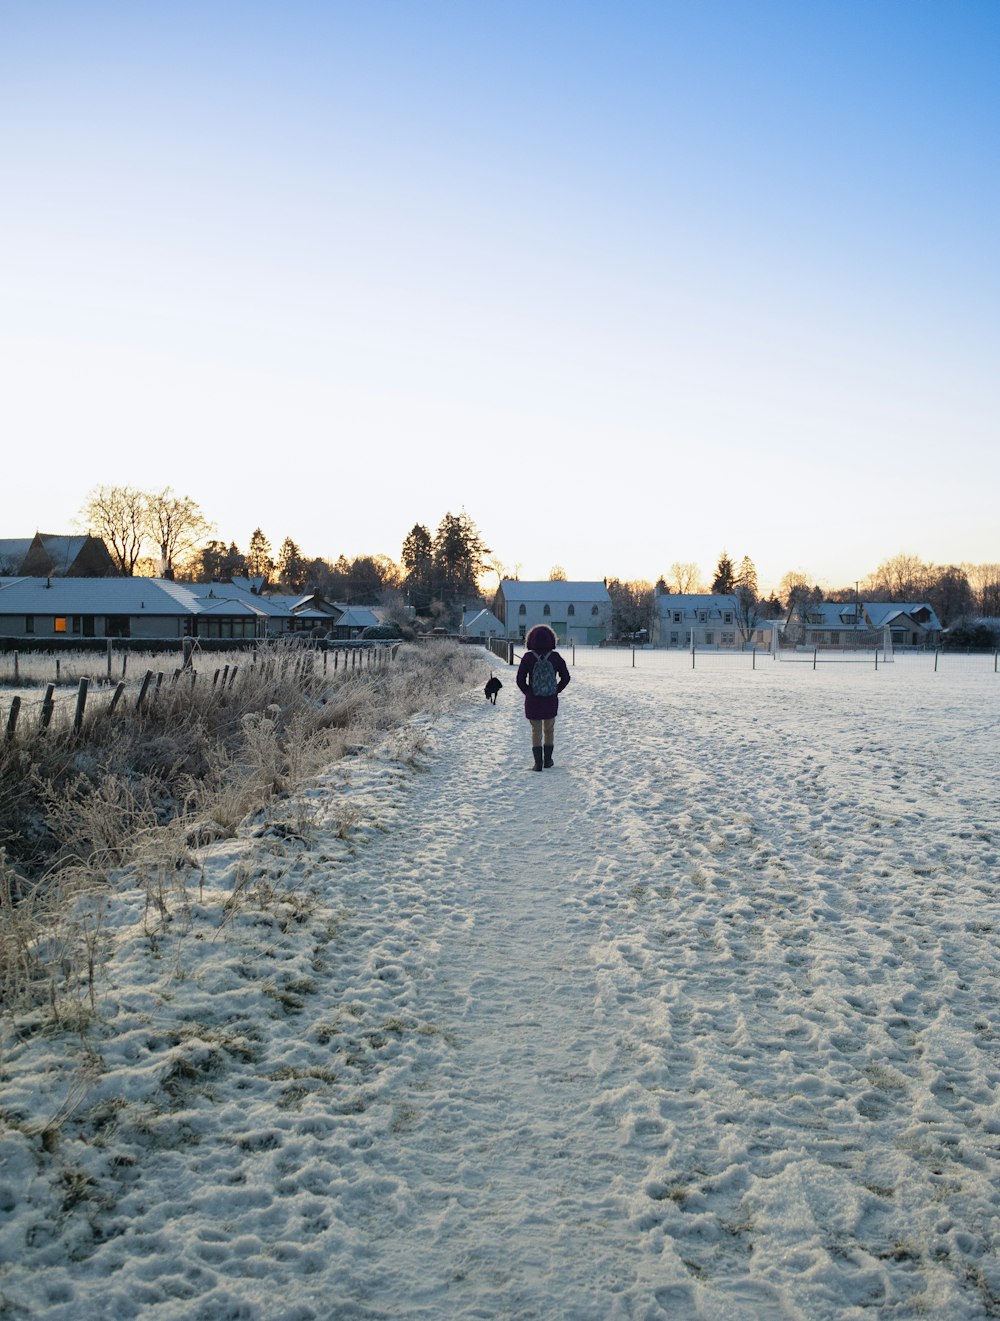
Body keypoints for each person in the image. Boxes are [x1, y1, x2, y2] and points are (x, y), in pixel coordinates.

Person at [515, 624, 571, 771]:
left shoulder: (527, 657)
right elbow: (566, 677)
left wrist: (528, 692)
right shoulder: (556, 657)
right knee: (549, 730)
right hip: (550, 700)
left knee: (536, 731)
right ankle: (548, 760)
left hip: (533, 700)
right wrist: (556, 690)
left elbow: (520, 680)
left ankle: (538, 763)